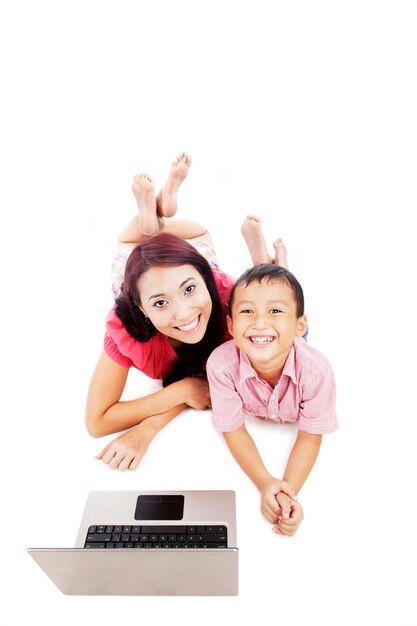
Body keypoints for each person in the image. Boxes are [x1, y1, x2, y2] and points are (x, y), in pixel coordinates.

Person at [86, 151, 297, 513]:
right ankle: (152, 215)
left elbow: (284, 344)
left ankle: (255, 263)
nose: (184, 315)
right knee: (129, 241)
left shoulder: (229, 299)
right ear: (141, 310)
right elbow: (98, 421)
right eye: (160, 304)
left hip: (191, 240)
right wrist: (181, 390)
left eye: (189, 291)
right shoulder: (127, 325)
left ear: (209, 281)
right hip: (132, 269)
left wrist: (149, 426)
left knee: (272, 311)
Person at [206, 254, 338, 537]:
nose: (259, 323)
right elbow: (233, 429)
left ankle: (278, 267)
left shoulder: (317, 371)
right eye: (246, 312)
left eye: (274, 312)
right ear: (230, 326)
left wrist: (287, 494)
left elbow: (309, 436)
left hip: (295, 345)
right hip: (264, 344)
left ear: (299, 325)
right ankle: (266, 266)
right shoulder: (221, 364)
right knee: (271, 326)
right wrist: (265, 481)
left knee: (281, 325)